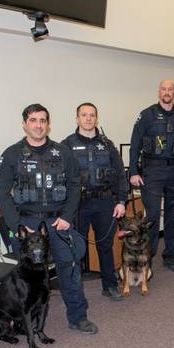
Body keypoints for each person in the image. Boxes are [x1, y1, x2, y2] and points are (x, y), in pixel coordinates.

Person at [0, 104, 98, 334]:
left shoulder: (62, 152)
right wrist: (17, 227)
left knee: (69, 269)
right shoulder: (12, 154)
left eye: (43, 120)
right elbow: (1, 193)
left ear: (48, 124)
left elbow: (74, 185)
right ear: (24, 124)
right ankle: (27, 322)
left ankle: (78, 317)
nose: (39, 125)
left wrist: (67, 217)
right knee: (30, 276)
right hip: (28, 225)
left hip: (57, 222)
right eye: (33, 120)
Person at [129, 79, 174, 272]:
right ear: (159, 92)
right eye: (164, 89)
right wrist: (134, 172)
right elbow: (135, 145)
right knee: (151, 216)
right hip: (152, 171)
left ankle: (169, 255)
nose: (167, 92)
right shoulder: (147, 115)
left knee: (171, 215)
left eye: (170, 89)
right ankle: (146, 257)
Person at [61, 102, 127, 301]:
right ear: (77, 118)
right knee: (76, 248)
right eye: (84, 115)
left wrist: (121, 201)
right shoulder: (66, 145)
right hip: (78, 205)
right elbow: (60, 178)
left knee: (105, 246)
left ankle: (110, 285)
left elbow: (120, 174)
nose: (88, 118)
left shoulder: (107, 144)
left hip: (105, 202)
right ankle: (74, 291)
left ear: (96, 119)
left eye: (92, 115)